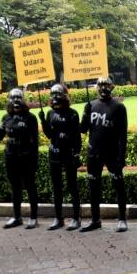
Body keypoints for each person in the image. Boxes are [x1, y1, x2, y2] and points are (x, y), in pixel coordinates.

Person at [0, 88, 40, 229]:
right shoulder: (6, 118)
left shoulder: (30, 118)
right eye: (14, 100)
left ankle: (33, 217)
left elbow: (35, 141)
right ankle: (17, 217)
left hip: (26, 156)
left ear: (23, 101)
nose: (16, 104)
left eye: (19, 100)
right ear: (10, 102)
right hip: (11, 156)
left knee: (30, 187)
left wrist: (34, 160)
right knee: (15, 187)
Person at [79, 76, 128, 232]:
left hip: (112, 153)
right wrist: (86, 113)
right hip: (94, 153)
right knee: (94, 187)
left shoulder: (119, 107)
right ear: (96, 87)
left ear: (112, 87)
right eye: (100, 85)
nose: (103, 88)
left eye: (106, 85)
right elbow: (82, 129)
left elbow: (123, 135)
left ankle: (122, 219)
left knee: (118, 186)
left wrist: (122, 156)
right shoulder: (91, 105)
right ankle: (95, 220)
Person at [38, 84, 82, 231]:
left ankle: (76, 218)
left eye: (59, 95)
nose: (55, 99)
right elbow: (50, 135)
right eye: (53, 95)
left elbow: (77, 136)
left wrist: (77, 153)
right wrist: (43, 121)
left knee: (72, 186)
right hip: (54, 154)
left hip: (68, 155)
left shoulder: (73, 114)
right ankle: (58, 218)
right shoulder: (50, 114)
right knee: (56, 187)